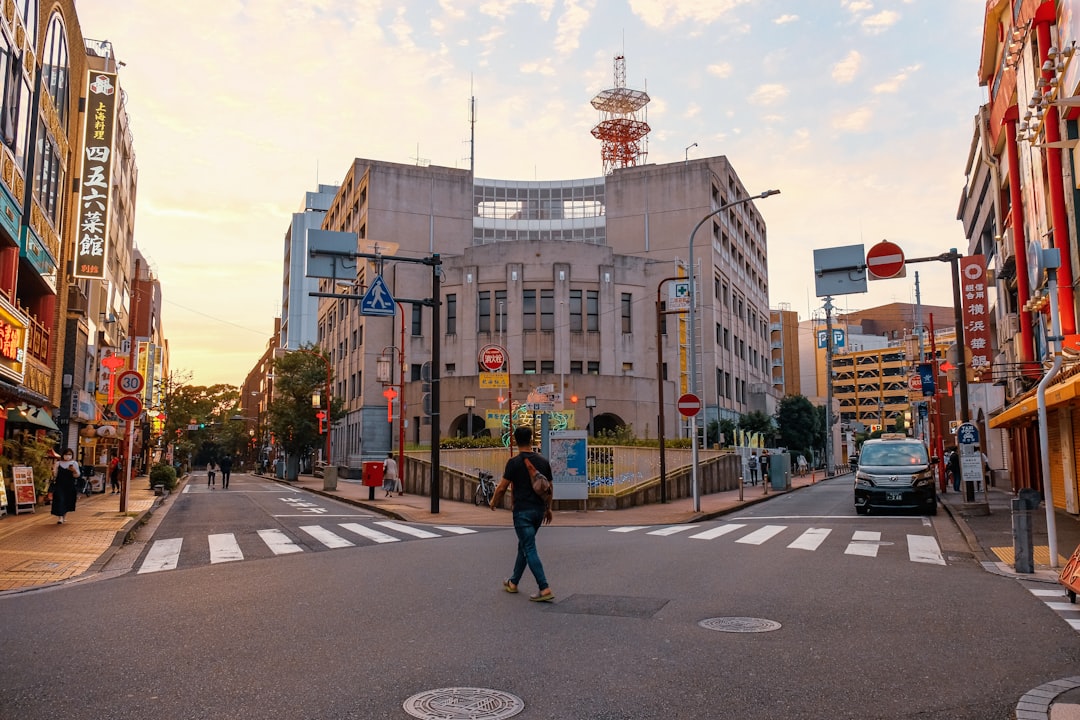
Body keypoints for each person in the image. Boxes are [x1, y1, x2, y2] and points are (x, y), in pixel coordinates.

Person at [490, 426, 555, 603]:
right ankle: (513, 582)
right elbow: (549, 487)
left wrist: (494, 502)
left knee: (529, 548)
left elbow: (502, 487)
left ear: (515, 441)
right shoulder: (542, 461)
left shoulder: (514, 462)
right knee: (524, 547)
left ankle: (544, 587)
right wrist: (548, 508)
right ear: (532, 440)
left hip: (522, 512)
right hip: (538, 512)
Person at [51, 448, 80, 525]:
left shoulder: (74, 463)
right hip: (60, 484)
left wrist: (74, 470)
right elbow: (55, 475)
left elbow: (77, 475)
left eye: (69, 454)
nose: (67, 456)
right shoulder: (58, 463)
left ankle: (64, 516)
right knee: (60, 499)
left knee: (67, 500)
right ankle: (60, 517)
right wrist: (54, 471)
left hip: (70, 485)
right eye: (66, 454)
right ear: (63, 455)